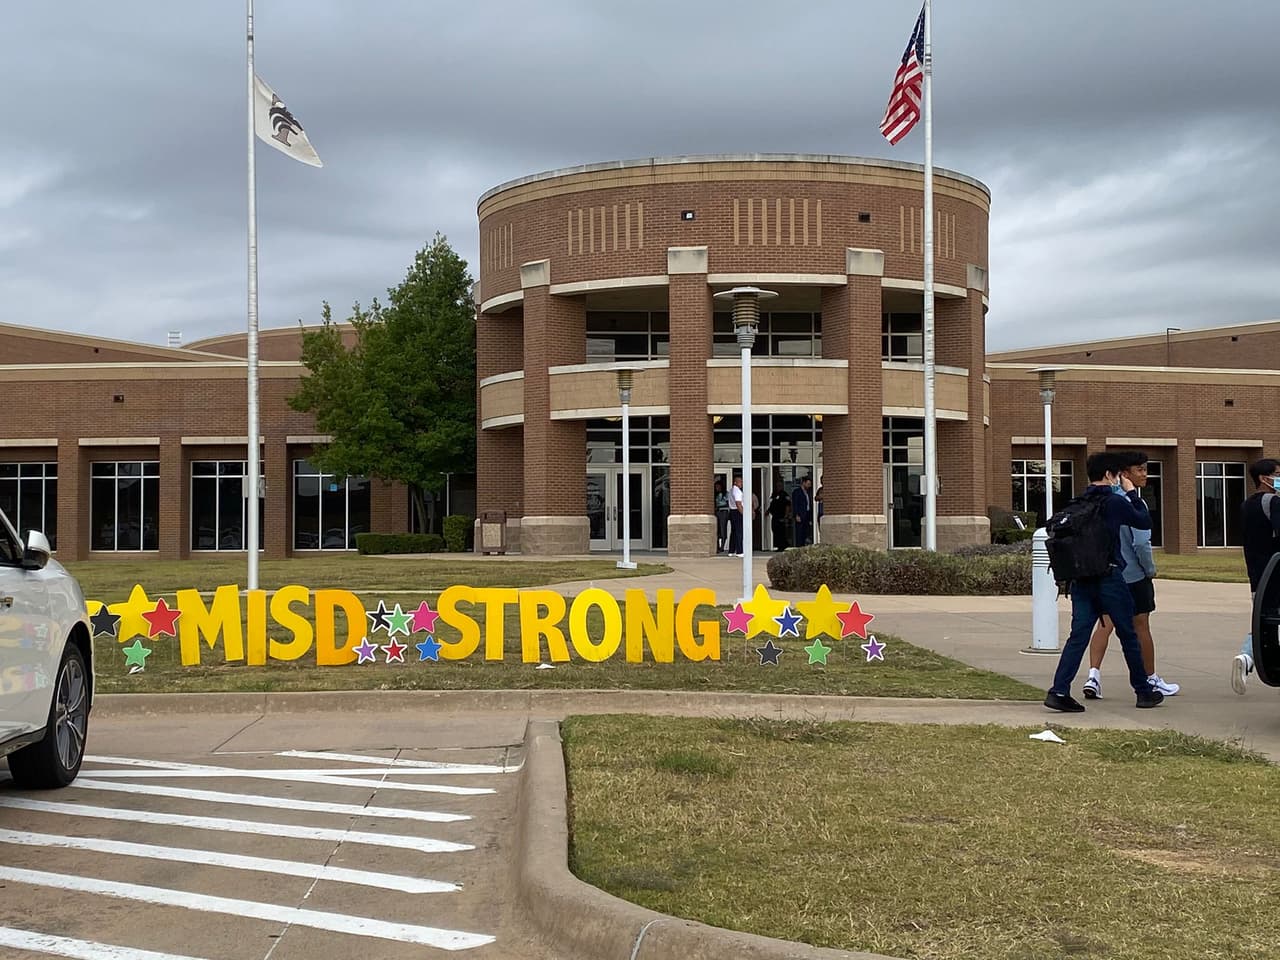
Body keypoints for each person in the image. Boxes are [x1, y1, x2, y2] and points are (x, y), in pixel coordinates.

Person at [1045, 451, 1166, 712]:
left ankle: (1058, 690)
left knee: (1077, 636)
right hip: (1109, 576)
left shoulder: (1076, 503)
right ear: (1112, 475)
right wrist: (1131, 493)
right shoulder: (1114, 502)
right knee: (1128, 634)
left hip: (1080, 579)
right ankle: (1144, 691)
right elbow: (1143, 521)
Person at [1083, 451, 1179, 699]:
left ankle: (1093, 676)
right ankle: (1150, 678)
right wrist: (1149, 570)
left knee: (1104, 625)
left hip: (1107, 573)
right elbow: (1141, 543)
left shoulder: (1101, 501)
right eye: (1139, 470)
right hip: (1134, 576)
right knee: (1141, 627)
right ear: (1123, 474)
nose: (1145, 474)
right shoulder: (1133, 502)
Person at [1232, 458, 1280, 693]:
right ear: (1264, 478)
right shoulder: (1274, 502)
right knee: (1269, 624)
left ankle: (1247, 658)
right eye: (1277, 474)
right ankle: (1247, 657)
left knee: (1263, 622)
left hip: (1257, 574)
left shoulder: (1246, 505)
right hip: (1276, 573)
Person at [767, 480, 790, 552]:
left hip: (781, 516)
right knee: (775, 530)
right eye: (777, 486)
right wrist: (768, 511)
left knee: (781, 532)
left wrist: (786, 516)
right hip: (775, 516)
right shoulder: (774, 494)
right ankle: (778, 545)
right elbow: (772, 504)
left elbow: (788, 506)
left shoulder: (784, 494)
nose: (778, 487)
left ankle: (783, 546)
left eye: (780, 486)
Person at [791, 476, 813, 547]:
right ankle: (799, 546)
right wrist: (796, 514)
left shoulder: (808, 492)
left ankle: (804, 546)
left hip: (807, 514)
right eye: (808, 484)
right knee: (799, 532)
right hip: (800, 515)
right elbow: (795, 504)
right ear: (803, 483)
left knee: (805, 532)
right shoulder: (797, 492)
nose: (809, 486)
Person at [727, 473, 744, 557]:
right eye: (740, 482)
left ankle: (731, 550)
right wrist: (743, 514)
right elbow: (738, 503)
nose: (741, 483)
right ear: (735, 482)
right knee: (739, 532)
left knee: (733, 532)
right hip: (737, 512)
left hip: (732, 512)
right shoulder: (737, 491)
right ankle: (739, 551)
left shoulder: (731, 490)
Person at [714, 479, 730, 554]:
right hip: (717, 512)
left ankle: (723, 546)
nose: (716, 488)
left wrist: (719, 506)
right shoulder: (716, 494)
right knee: (717, 530)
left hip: (723, 512)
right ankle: (717, 546)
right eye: (715, 486)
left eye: (718, 486)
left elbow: (728, 504)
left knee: (723, 529)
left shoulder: (725, 494)